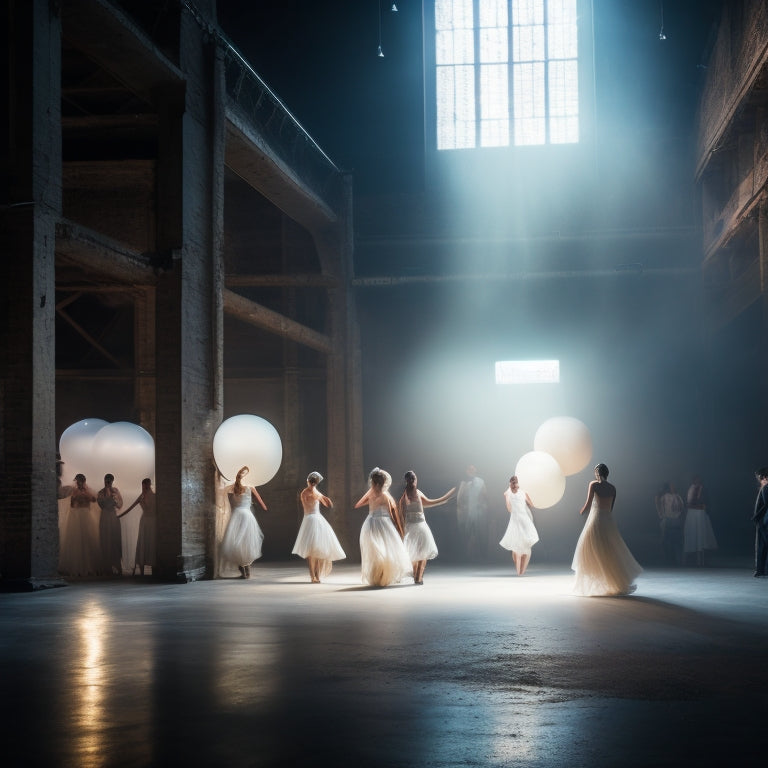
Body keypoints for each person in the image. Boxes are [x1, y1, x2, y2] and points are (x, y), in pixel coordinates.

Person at [571, 463, 642, 596]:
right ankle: (613, 581)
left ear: (597, 473)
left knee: (591, 549)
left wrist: (580, 512)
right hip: (608, 521)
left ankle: (597, 581)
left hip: (596, 519)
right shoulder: (613, 488)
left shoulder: (594, 485)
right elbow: (611, 508)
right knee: (610, 550)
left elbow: (588, 504)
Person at [355, 467, 412, 587]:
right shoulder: (383, 496)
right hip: (378, 523)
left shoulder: (377, 495)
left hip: (373, 523)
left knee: (379, 551)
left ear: (374, 483)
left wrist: (370, 499)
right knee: (380, 551)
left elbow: (358, 505)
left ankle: (380, 577)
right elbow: (392, 515)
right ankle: (380, 577)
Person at [397, 470, 455, 585]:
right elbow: (401, 516)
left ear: (416, 480)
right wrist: (401, 531)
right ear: (406, 481)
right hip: (410, 527)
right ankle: (416, 576)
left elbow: (429, 502)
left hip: (422, 525)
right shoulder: (403, 498)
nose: (412, 480)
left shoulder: (418, 493)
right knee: (413, 553)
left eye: (414, 478)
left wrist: (445, 499)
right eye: (410, 479)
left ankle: (419, 577)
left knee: (423, 551)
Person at [292, 471, 346, 583]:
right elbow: (306, 503)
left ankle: (316, 575)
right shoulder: (304, 493)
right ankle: (313, 576)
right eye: (312, 482)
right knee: (311, 551)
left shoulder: (317, 493)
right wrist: (316, 496)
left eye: (314, 482)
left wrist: (323, 497)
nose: (312, 484)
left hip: (317, 519)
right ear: (308, 482)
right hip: (309, 519)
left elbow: (329, 505)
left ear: (315, 483)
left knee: (317, 549)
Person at [219, 466, 267, 579]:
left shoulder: (234, 487)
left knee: (237, 542)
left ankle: (242, 570)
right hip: (247, 515)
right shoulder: (250, 487)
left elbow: (222, 491)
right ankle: (247, 570)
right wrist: (264, 507)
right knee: (247, 542)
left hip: (237, 515)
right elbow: (261, 502)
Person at [58, 473, 99, 577]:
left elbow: (94, 500)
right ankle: (77, 567)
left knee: (87, 539)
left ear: (83, 481)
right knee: (76, 540)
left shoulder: (88, 490)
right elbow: (72, 505)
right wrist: (75, 498)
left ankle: (89, 567)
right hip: (77, 515)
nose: (78, 483)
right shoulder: (74, 491)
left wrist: (86, 495)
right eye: (77, 481)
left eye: (80, 481)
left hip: (86, 515)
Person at [499, 475, 539, 575]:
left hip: (517, 519)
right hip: (523, 519)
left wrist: (509, 493)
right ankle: (521, 571)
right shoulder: (523, 493)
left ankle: (519, 571)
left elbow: (509, 508)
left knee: (516, 544)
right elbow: (532, 505)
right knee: (522, 543)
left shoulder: (508, 493)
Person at [119, 478, 156, 576]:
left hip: (152, 521)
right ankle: (142, 570)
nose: (144, 487)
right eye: (143, 485)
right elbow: (132, 506)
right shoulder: (142, 495)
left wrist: (142, 501)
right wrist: (120, 516)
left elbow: (149, 507)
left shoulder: (154, 496)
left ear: (149, 485)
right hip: (144, 521)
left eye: (146, 485)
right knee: (142, 542)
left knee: (151, 543)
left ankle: (154, 568)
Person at [456, 464, 489, 561]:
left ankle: (482, 556)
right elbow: (459, 498)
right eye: (470, 469)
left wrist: (483, 507)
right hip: (466, 513)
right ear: (467, 471)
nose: (472, 471)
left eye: (474, 469)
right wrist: (462, 509)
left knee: (480, 533)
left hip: (478, 512)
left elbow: (485, 495)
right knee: (466, 534)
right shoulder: (463, 483)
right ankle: (465, 556)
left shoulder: (480, 481)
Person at [683, 474, 717, 566]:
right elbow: (688, 502)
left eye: (699, 479)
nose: (698, 481)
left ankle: (700, 559)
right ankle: (689, 559)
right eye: (696, 479)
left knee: (700, 536)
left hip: (700, 513)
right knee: (692, 535)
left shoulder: (703, 489)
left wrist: (704, 507)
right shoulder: (690, 488)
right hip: (692, 513)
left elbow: (705, 501)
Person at [97, 473, 124, 576]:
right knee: (105, 541)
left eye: (109, 480)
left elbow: (120, 504)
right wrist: (108, 497)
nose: (107, 482)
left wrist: (114, 500)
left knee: (115, 540)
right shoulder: (100, 492)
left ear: (112, 481)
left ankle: (117, 564)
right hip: (105, 517)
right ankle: (107, 566)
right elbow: (101, 504)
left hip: (113, 517)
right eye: (106, 480)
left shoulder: (116, 491)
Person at [655, 481, 685, 566]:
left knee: (677, 541)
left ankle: (677, 560)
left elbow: (682, 508)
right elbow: (659, 505)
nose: (673, 487)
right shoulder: (664, 497)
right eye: (671, 486)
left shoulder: (678, 497)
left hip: (676, 521)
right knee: (666, 541)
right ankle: (667, 559)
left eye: (674, 486)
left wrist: (682, 520)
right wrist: (661, 516)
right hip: (667, 520)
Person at [751, 467, 768, 577]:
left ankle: (760, 570)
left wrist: (755, 517)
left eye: (760, 478)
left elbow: (766, 504)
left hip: (763, 521)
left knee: (761, 546)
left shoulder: (766, 488)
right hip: (763, 520)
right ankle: (761, 570)